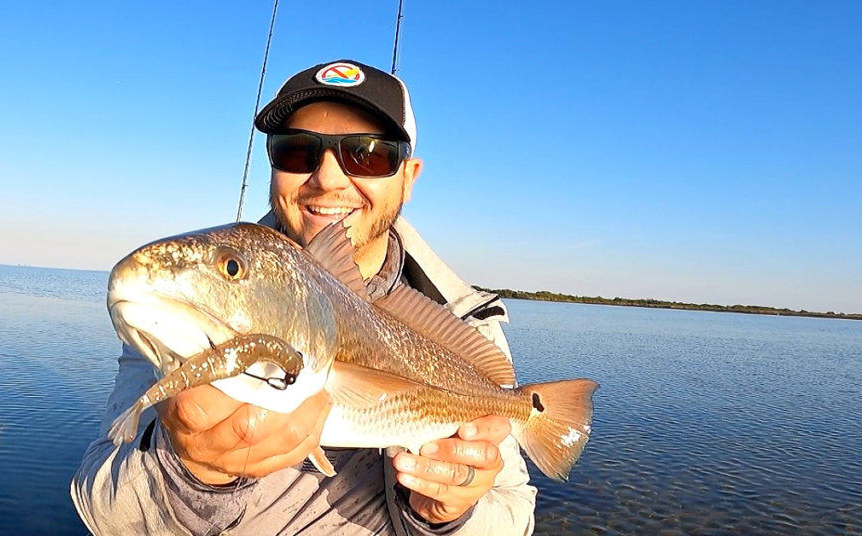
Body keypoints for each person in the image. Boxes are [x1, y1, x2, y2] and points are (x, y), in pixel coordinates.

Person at [72, 59, 537, 536]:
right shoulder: (185, 314)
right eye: (297, 151)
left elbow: (515, 514)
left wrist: (446, 515)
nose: (328, 179)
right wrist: (191, 475)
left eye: (369, 154)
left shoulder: (468, 324)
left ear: (409, 176)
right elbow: (103, 506)